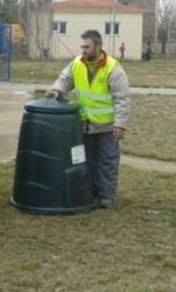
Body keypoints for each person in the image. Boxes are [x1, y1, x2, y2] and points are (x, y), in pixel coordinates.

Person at [45, 29, 131, 208]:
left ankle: (106, 196)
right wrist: (56, 90)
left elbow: (122, 98)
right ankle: (91, 193)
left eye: (87, 46)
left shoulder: (113, 68)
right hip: (86, 125)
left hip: (107, 127)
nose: (83, 50)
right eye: (82, 46)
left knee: (107, 161)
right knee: (87, 161)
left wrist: (120, 125)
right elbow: (65, 79)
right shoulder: (77, 63)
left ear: (98, 46)